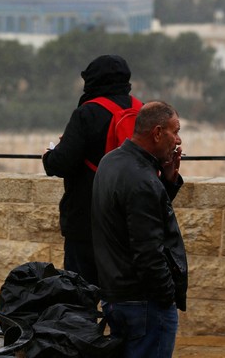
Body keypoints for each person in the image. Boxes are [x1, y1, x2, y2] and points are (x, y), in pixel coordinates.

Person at [91, 100, 187, 358]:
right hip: (143, 302)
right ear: (157, 132)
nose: (178, 140)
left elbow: (133, 220)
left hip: (116, 293)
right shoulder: (141, 179)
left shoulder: (111, 162)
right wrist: (166, 297)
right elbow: (148, 252)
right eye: (174, 131)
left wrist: (167, 183)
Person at [43, 54, 138, 286]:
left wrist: (49, 154)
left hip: (87, 219)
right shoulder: (142, 110)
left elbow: (61, 163)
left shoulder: (87, 113)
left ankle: (84, 324)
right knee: (121, 290)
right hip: (129, 218)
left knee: (80, 291)